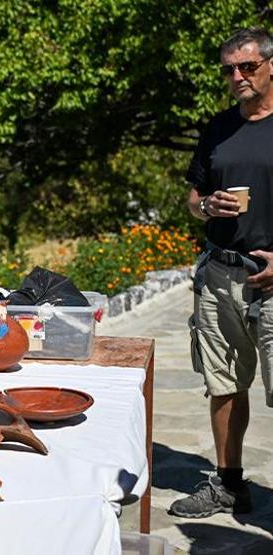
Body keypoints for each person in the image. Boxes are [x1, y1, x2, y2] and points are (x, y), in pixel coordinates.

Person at [172, 26, 273, 519]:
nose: (237, 77)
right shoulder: (217, 128)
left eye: (248, 67)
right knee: (223, 383)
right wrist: (205, 205)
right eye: (229, 69)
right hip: (219, 274)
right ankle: (229, 484)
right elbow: (192, 197)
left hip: (270, 280)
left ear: (271, 66)